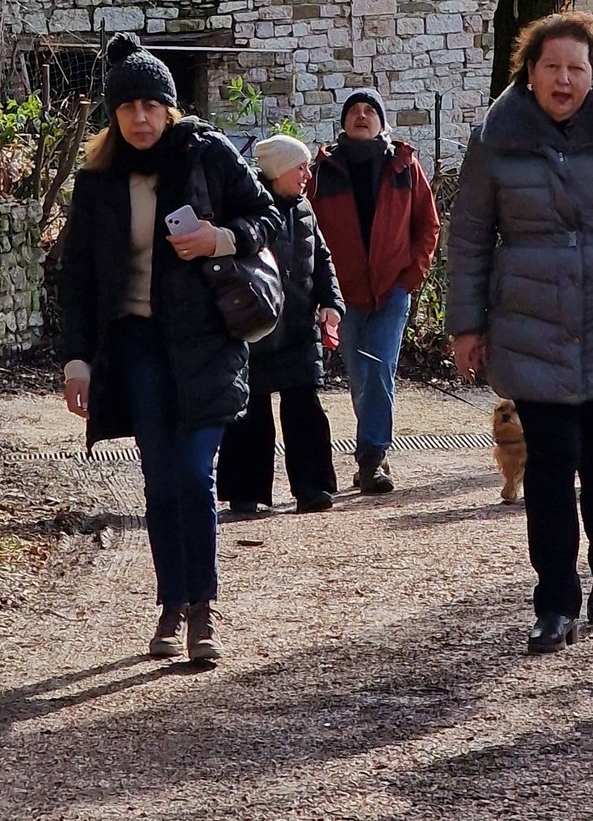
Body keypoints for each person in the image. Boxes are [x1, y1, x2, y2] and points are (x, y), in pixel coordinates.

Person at [447, 12, 593, 653]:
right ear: (528, 74)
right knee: (549, 467)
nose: (563, 79)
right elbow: (467, 238)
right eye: (550, 67)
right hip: (532, 326)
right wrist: (467, 325)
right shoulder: (496, 140)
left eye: (576, 68)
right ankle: (554, 600)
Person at [60, 33, 279, 667]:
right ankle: (171, 601)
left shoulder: (205, 154)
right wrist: (77, 357)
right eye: (128, 108)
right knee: (160, 482)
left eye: (152, 106)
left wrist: (219, 238)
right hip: (136, 350)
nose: (141, 118)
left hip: (206, 342)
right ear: (113, 114)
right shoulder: (96, 181)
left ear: (170, 108)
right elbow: (76, 279)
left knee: (192, 473)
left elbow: (267, 214)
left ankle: (202, 609)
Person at [309, 87, 439, 494]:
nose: (361, 116)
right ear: (344, 122)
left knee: (379, 368)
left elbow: (427, 225)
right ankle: (370, 451)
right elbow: (308, 231)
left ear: (382, 122)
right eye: (354, 111)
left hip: (390, 290)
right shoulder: (323, 171)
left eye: (370, 110)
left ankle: (372, 458)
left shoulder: (403, 166)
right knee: (360, 374)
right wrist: (320, 289)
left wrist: (410, 278)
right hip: (343, 294)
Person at [216, 134, 344, 515]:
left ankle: (313, 489)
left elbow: (322, 259)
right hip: (254, 326)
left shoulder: (306, 209)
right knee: (249, 412)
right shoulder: (246, 207)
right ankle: (245, 492)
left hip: (299, 328)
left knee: (305, 409)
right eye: (301, 167)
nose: (308, 174)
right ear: (279, 171)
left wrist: (331, 302)